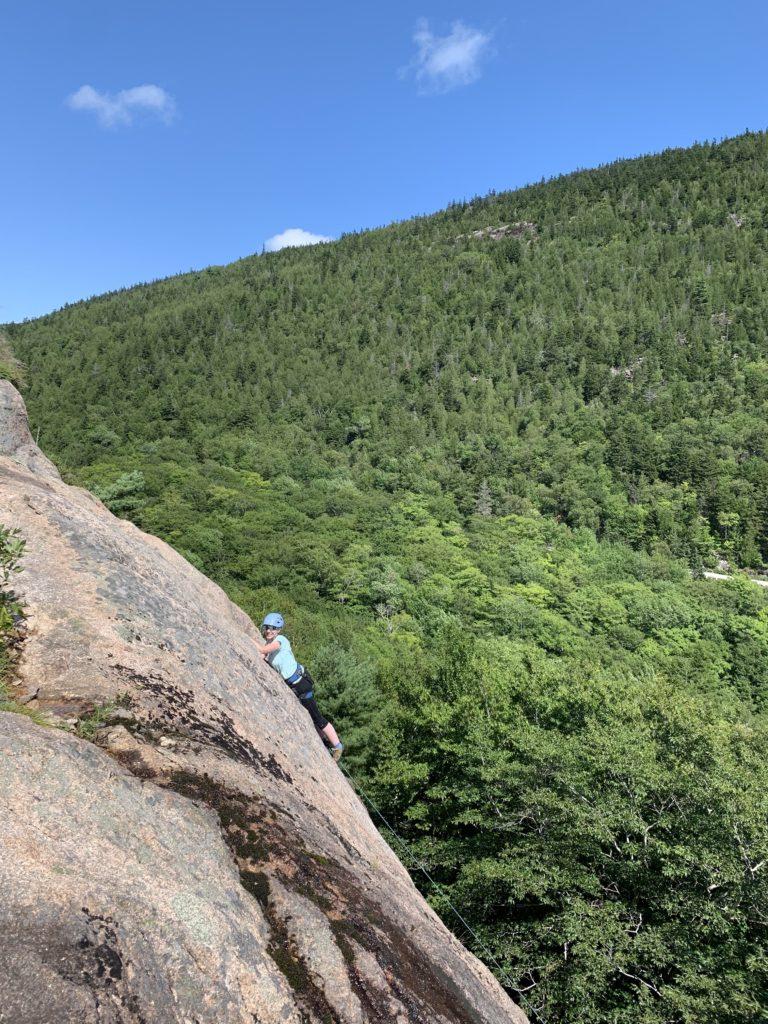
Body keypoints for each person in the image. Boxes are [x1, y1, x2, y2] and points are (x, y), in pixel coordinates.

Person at [255, 612, 343, 761]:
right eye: (267, 628)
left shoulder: (280, 639)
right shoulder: (269, 643)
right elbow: (263, 656)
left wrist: (246, 640)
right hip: (294, 684)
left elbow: (263, 652)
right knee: (309, 715)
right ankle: (324, 742)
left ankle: (337, 746)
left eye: (273, 628)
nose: (269, 631)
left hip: (301, 683)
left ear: (279, 629)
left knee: (317, 717)